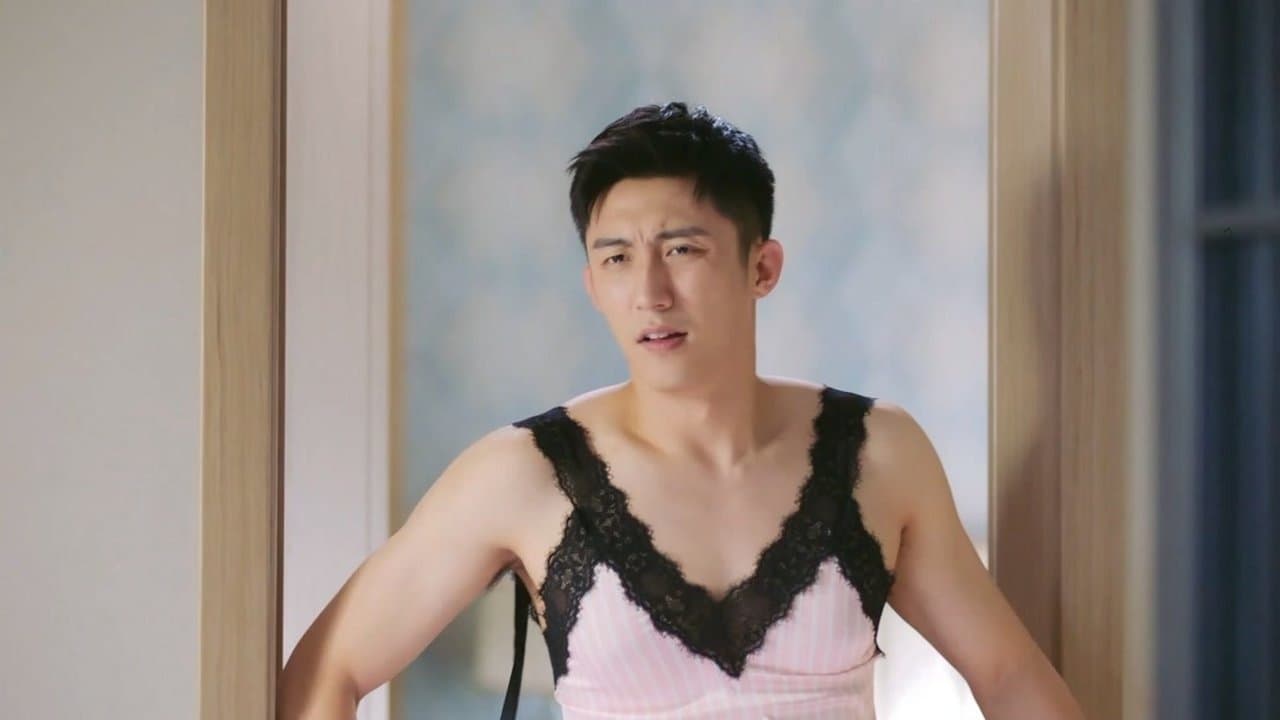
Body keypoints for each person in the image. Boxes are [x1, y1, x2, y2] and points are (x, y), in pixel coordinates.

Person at [278, 102, 1084, 720]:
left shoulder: (880, 454)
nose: (650, 292)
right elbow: (327, 671)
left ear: (762, 267)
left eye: (682, 250)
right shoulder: (521, 474)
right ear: (592, 284)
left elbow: (1010, 676)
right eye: (617, 258)